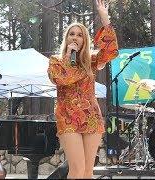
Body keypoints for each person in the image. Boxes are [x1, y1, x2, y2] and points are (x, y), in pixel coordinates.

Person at [47, 0, 118, 178]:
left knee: (87, 171)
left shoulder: (92, 60)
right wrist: (68, 57)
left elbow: (111, 52)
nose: (75, 37)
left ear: (84, 40)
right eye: (72, 34)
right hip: (67, 116)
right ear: (67, 38)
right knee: (77, 170)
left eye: (79, 35)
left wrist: (104, 18)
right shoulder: (56, 61)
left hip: (91, 116)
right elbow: (61, 79)